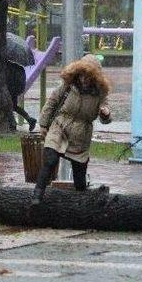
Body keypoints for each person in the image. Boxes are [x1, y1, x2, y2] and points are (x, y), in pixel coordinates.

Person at [31, 54, 111, 205]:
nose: (83, 79)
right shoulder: (68, 86)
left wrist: (105, 114)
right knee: (50, 159)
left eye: (88, 76)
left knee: (79, 177)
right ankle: (37, 194)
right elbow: (52, 103)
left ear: (95, 77)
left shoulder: (100, 93)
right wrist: (43, 124)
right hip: (60, 127)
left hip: (81, 135)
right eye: (81, 75)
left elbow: (106, 115)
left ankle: (81, 202)